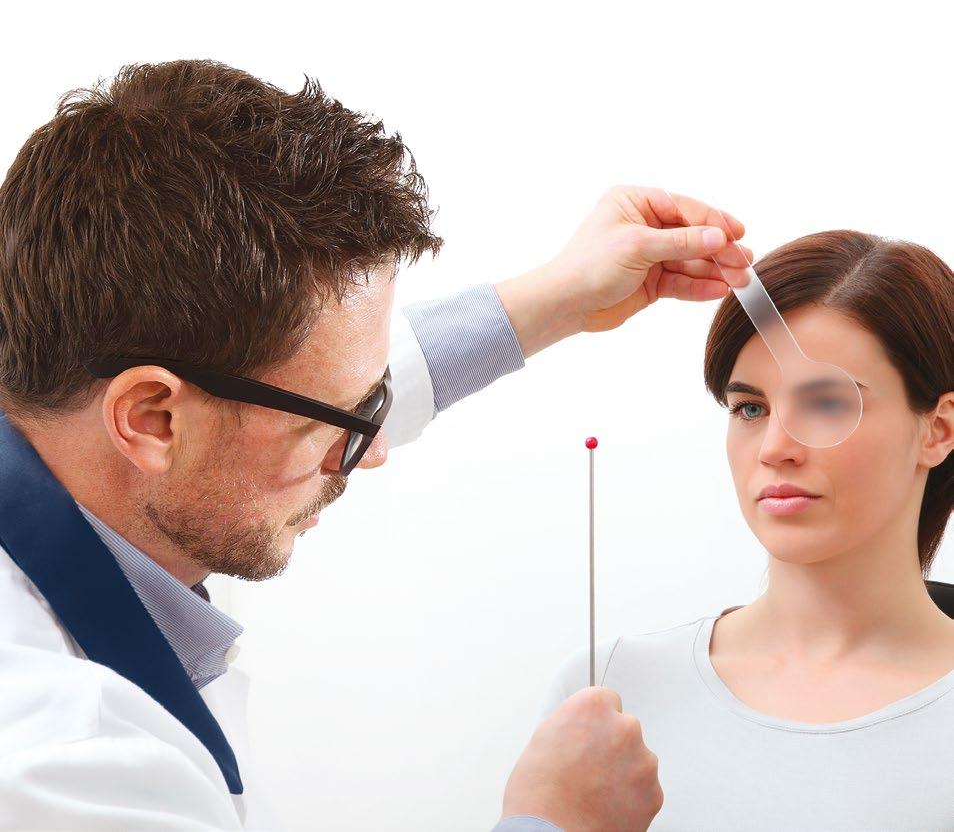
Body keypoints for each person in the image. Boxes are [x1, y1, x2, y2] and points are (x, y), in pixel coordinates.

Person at [0, 60, 753, 831]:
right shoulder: (59, 762)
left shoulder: (73, 414)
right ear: (153, 419)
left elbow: (299, 382)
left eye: (372, 405)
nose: (376, 452)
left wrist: (559, 296)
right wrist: (554, 821)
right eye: (347, 421)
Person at [542, 229, 954, 830]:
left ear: (939, 430)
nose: (774, 448)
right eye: (750, 409)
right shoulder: (608, 692)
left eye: (827, 403)